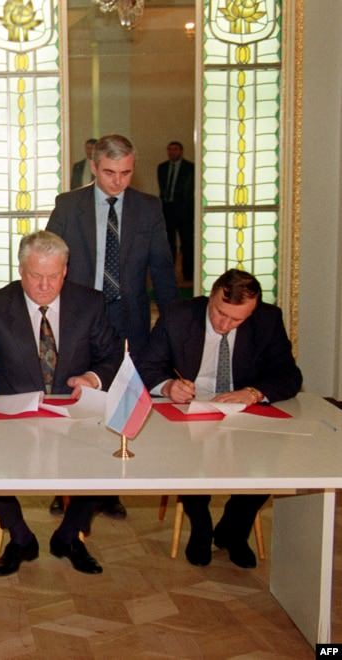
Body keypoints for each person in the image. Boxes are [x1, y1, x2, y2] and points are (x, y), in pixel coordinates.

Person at [0, 231, 120, 576]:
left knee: (108, 463)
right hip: (15, 414)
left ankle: (69, 536)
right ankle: (21, 538)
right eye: (35, 276)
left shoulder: (89, 303)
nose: (44, 285)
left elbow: (115, 357)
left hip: (73, 414)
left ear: (65, 271)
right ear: (21, 270)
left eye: (53, 276)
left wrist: (93, 379)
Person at [47, 134, 177, 520]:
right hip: (80, 315)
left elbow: (163, 269)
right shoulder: (69, 205)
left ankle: (109, 489)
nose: (118, 181)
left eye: (125, 173)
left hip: (129, 316)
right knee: (78, 396)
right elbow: (48, 257)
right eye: (109, 173)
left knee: (118, 398)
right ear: (94, 166)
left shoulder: (148, 208)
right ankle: (64, 487)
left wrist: (173, 325)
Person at [137, 269, 302, 568]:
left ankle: (232, 531)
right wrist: (168, 386)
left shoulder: (268, 319)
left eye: (236, 320)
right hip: (190, 412)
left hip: (243, 413)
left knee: (267, 464)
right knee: (185, 461)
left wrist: (253, 392)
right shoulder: (179, 315)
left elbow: (289, 375)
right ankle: (201, 528)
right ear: (211, 296)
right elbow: (147, 366)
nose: (225, 324)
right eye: (219, 313)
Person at [156, 141, 195, 281]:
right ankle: (168, 274)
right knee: (168, 243)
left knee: (187, 244)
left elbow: (191, 192)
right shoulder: (162, 167)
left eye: (175, 149)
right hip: (167, 210)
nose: (172, 152)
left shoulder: (190, 168)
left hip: (185, 211)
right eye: (169, 149)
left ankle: (188, 275)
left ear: (181, 151)